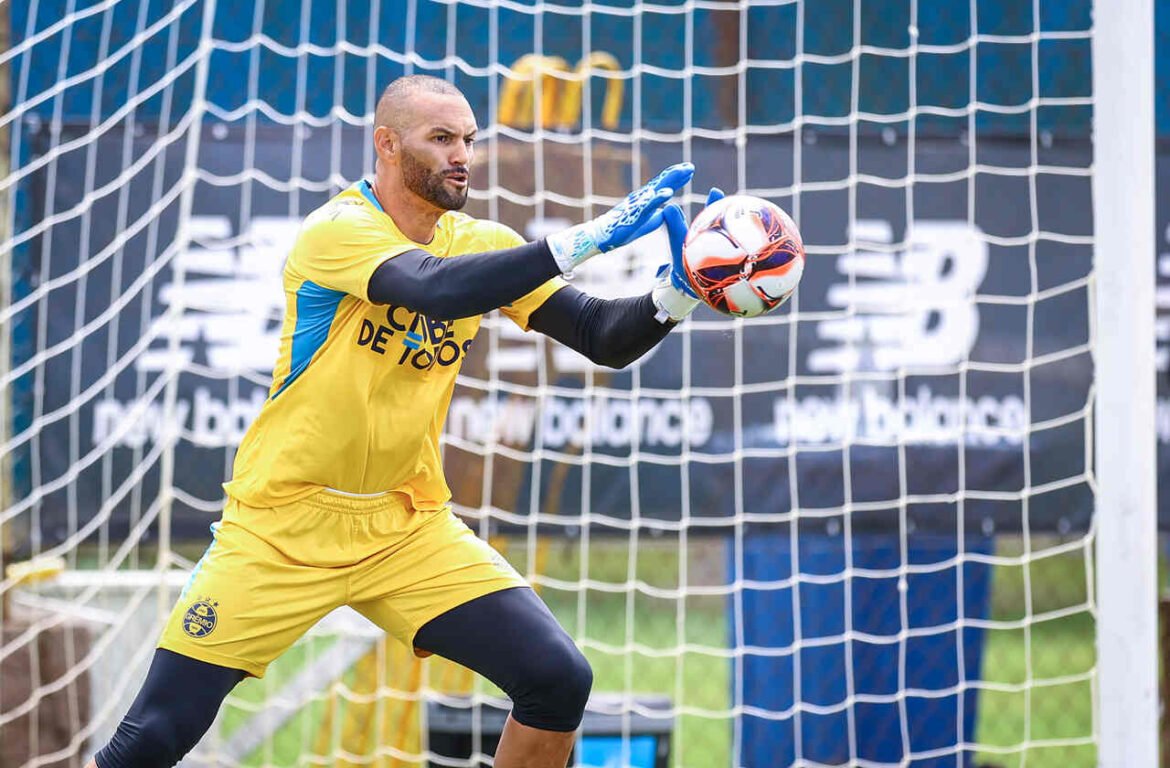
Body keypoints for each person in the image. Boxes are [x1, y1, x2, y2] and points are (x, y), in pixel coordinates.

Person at [87, 74, 714, 768]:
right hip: (282, 526)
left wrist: (676, 292)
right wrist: (584, 240)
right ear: (386, 144)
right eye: (440, 138)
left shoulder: (481, 241)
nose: (461, 156)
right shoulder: (337, 230)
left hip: (406, 526)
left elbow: (601, 335)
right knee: (154, 736)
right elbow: (430, 288)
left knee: (558, 679)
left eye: (469, 140)